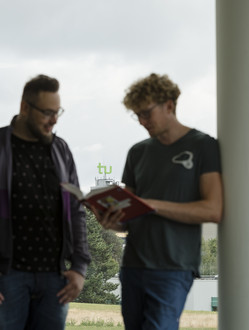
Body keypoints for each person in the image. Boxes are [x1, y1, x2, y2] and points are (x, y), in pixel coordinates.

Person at [94, 73, 223, 329]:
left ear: (169, 105)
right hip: (132, 266)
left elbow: (213, 209)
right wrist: (110, 221)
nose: (142, 121)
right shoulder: (138, 152)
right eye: (137, 115)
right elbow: (129, 215)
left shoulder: (203, 146)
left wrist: (154, 205)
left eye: (146, 113)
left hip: (173, 268)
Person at [0, 74, 91, 329]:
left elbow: (76, 210)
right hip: (8, 277)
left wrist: (80, 267)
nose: (54, 120)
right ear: (24, 107)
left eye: (58, 112)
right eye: (47, 112)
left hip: (56, 278)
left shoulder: (61, 150)